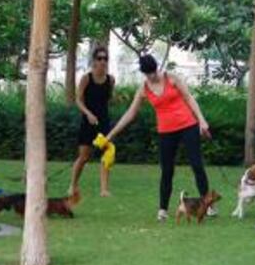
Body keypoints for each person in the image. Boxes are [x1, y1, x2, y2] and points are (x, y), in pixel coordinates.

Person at [106, 54, 214, 221]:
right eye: (148, 73)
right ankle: (163, 209)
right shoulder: (143, 89)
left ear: (157, 67)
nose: (152, 76)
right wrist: (111, 135)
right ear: (143, 73)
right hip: (166, 131)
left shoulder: (172, 78)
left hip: (188, 125)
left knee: (197, 165)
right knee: (167, 171)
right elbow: (130, 114)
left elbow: (189, 98)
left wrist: (202, 121)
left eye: (153, 72)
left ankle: (208, 206)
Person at [69, 46, 115, 197]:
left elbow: (109, 99)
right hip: (88, 121)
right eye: (99, 58)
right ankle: (73, 185)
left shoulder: (110, 80)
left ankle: (104, 189)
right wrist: (88, 114)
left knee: (107, 153)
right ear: (94, 60)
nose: (102, 61)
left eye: (105, 59)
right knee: (84, 157)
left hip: (103, 121)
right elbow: (78, 99)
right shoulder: (86, 78)